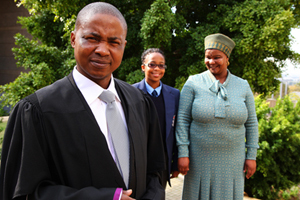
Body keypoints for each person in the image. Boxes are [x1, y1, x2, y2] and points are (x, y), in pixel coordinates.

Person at [0, 2, 166, 200]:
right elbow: (24, 193)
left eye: (114, 42)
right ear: (73, 39)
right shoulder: (38, 110)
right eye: (91, 38)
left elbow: (156, 171)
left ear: (123, 46)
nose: (103, 50)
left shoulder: (139, 101)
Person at [175, 33, 259, 199]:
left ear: (227, 58)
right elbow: (182, 120)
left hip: (233, 161)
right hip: (199, 160)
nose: (211, 62)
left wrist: (251, 156)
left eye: (217, 57)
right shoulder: (193, 82)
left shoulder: (243, 86)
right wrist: (182, 153)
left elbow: (252, 124)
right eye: (208, 57)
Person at [133, 48, 180, 188]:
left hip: (163, 160)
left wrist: (176, 161)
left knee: (159, 194)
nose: (157, 69)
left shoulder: (175, 94)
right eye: (152, 64)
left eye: (161, 65)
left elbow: (178, 129)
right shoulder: (131, 93)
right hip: (139, 158)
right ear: (143, 67)